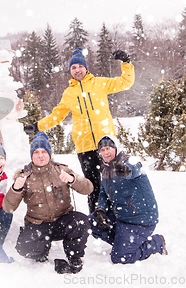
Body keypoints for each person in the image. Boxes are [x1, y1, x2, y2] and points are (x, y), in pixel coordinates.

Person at [24, 48, 135, 214]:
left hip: (105, 144)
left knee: (115, 181)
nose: (77, 70)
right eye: (73, 67)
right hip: (85, 147)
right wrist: (38, 126)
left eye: (79, 66)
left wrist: (126, 63)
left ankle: (120, 216)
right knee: (92, 186)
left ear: (85, 68)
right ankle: (97, 218)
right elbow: (57, 116)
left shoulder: (100, 83)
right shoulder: (69, 93)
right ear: (70, 71)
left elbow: (125, 82)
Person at [2, 132, 93, 274]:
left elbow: (88, 188)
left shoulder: (62, 170)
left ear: (49, 154)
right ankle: (42, 250)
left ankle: (74, 256)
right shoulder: (24, 177)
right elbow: (8, 208)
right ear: (31, 155)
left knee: (81, 222)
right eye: (36, 152)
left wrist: (72, 179)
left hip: (63, 221)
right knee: (23, 247)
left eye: (44, 151)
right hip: (39, 224)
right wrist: (16, 189)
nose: (40, 155)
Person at [89, 135, 167, 264]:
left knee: (120, 258)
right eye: (102, 150)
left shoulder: (128, 162)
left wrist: (126, 171)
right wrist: (100, 210)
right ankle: (123, 243)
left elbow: (136, 168)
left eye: (108, 148)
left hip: (139, 220)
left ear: (116, 148)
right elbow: (103, 194)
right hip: (121, 217)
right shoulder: (105, 170)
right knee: (91, 222)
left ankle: (156, 243)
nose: (105, 152)